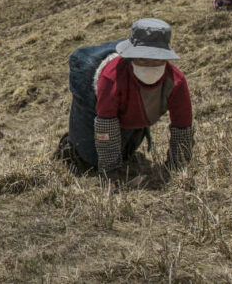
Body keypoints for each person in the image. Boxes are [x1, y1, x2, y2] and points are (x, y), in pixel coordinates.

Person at [57, 18, 194, 177]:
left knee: (126, 153)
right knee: (90, 159)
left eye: (156, 59)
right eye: (142, 58)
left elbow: (183, 126)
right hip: (94, 99)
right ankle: (71, 146)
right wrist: (111, 170)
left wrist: (178, 165)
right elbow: (106, 124)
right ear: (131, 57)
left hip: (134, 110)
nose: (149, 64)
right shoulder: (112, 78)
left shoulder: (176, 82)